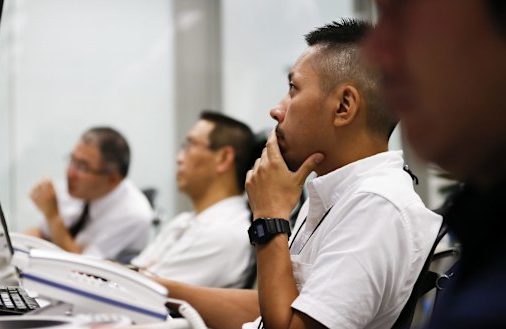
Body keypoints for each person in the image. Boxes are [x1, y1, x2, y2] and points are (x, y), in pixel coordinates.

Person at [152, 19, 442, 329]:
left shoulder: (377, 206)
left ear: (344, 106)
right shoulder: (335, 194)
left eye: (293, 89)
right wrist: (156, 288)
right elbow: (281, 307)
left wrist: (270, 218)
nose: (277, 110)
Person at [363, 1, 506, 328]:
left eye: (400, 16)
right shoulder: (482, 226)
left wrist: (271, 219)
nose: (376, 52)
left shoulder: (377, 203)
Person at [130, 111, 256, 289]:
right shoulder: (185, 221)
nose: (178, 158)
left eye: (189, 146)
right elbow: (133, 273)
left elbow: (140, 290)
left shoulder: (223, 233)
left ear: (223, 158)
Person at [25, 127, 153, 262]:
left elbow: (85, 268)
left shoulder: (133, 215)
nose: (70, 173)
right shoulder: (79, 189)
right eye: (72, 160)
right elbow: (41, 232)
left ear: (113, 179)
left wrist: (53, 216)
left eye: (82, 167)